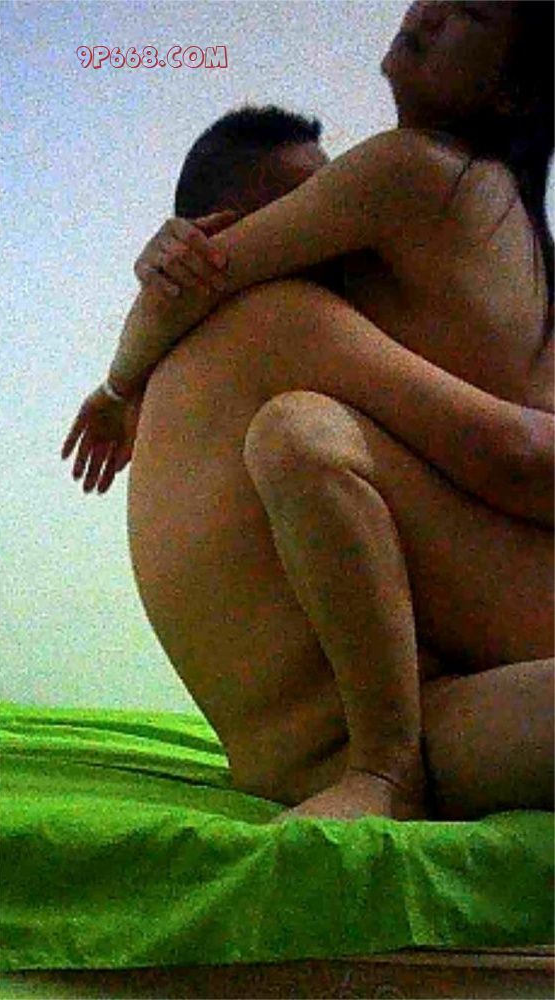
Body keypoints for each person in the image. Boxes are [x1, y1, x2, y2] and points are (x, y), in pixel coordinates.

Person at [62, 2, 554, 821]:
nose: (428, 11)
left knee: (303, 433)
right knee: (302, 432)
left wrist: (116, 390)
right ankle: (382, 765)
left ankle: (382, 768)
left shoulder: (417, 179)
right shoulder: (295, 320)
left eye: (467, 11)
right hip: (399, 716)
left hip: (340, 735)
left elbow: (518, 452)